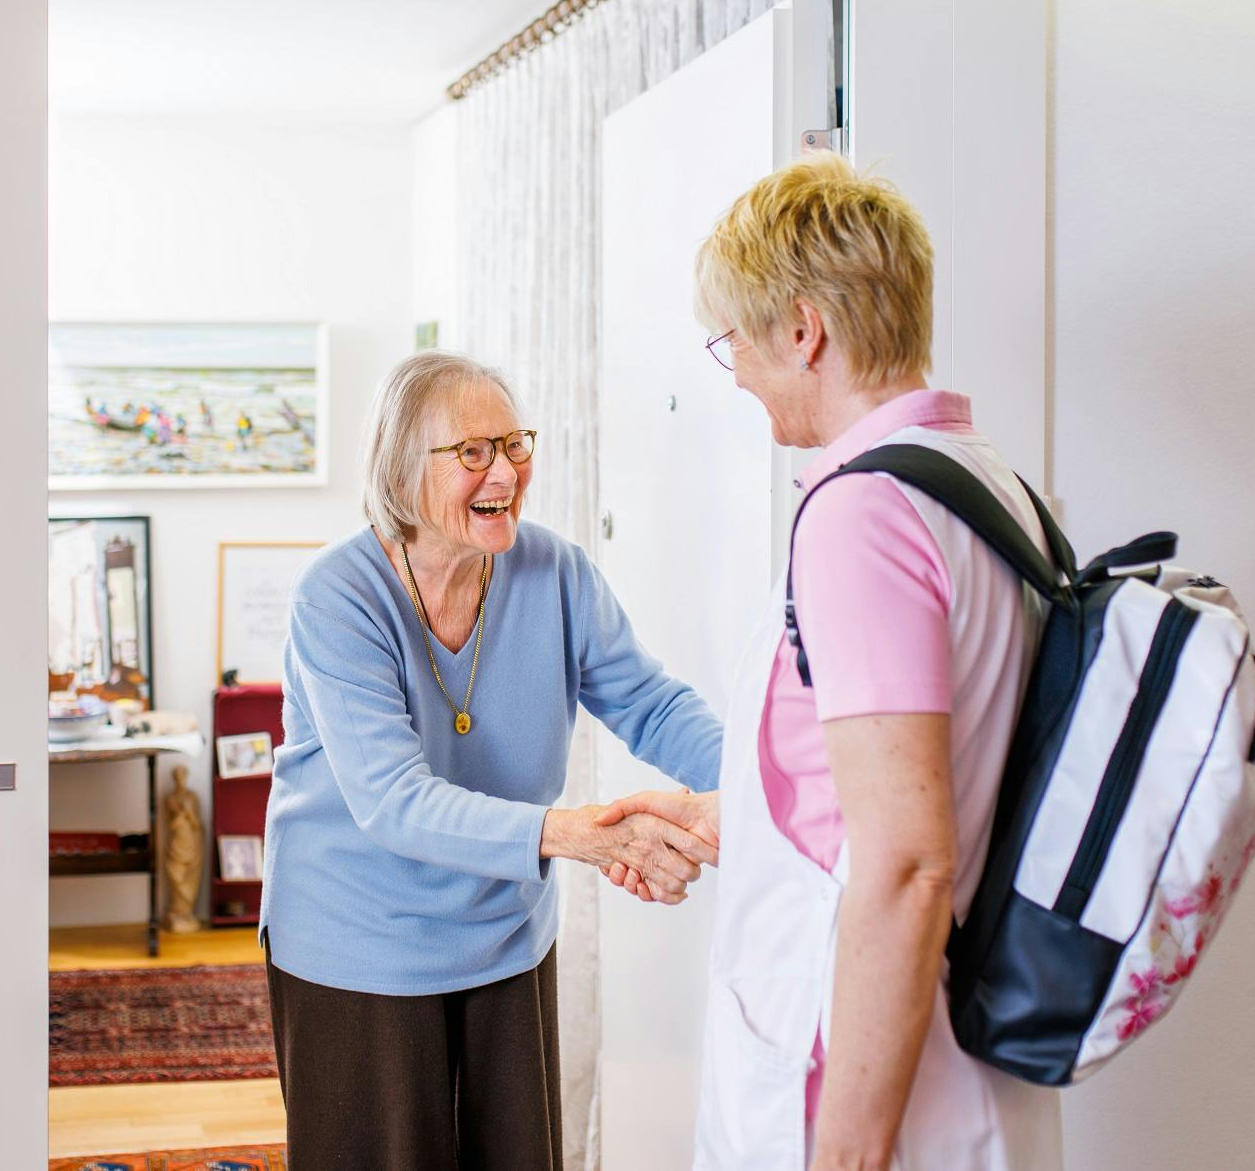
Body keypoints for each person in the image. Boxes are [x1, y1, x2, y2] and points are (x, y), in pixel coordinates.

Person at [605, 154, 1063, 1169]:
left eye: (734, 345)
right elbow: (928, 780)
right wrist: (743, 818)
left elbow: (906, 859)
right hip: (962, 1062)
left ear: (802, 330)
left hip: (859, 1091)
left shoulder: (862, 512)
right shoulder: (989, 489)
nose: (739, 379)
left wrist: (844, 1151)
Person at [262, 350, 722, 1170]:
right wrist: (581, 833)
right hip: (359, 942)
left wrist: (757, 792)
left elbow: (651, 704)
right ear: (405, 468)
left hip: (503, 934)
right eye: (473, 451)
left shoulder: (555, 572)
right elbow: (393, 800)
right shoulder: (338, 596)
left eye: (514, 444)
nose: (504, 468)